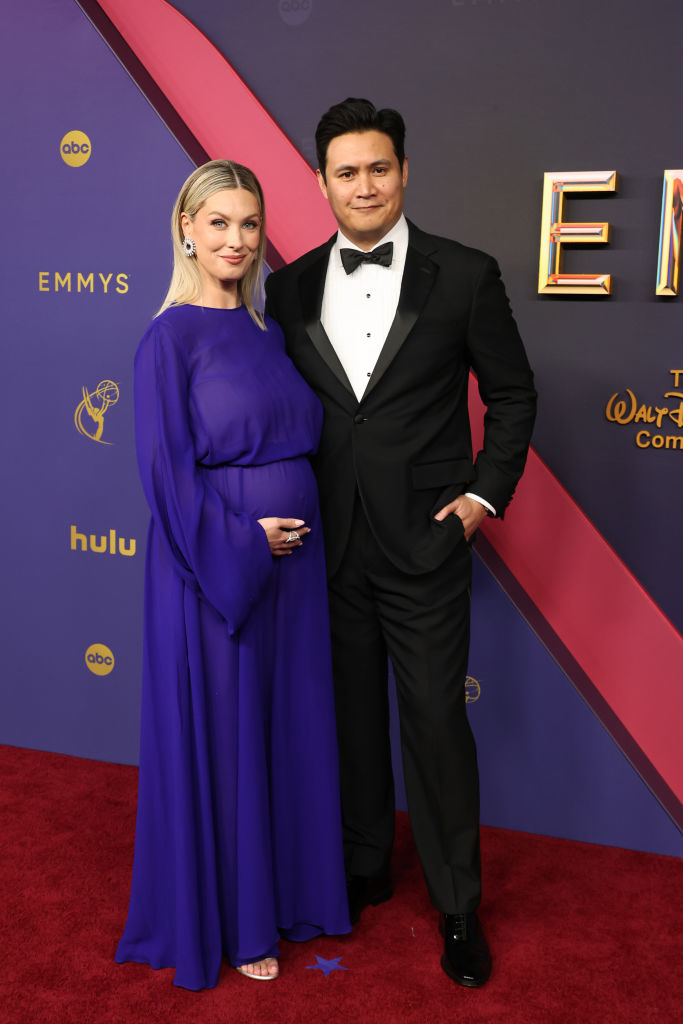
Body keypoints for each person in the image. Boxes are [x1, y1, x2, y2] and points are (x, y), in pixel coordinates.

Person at [265, 99, 537, 988]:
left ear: (404, 172)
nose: (364, 185)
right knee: (347, 720)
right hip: (326, 542)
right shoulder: (290, 285)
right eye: (346, 172)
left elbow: (513, 397)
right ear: (322, 182)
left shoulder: (463, 274)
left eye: (378, 168)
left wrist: (478, 500)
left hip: (426, 542)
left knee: (431, 721)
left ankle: (458, 905)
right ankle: (364, 862)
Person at [115, 159, 350, 990]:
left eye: (249, 224)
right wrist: (246, 543)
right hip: (216, 573)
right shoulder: (166, 338)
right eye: (218, 223)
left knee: (283, 732)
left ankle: (288, 899)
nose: (236, 240)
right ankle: (238, 919)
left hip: (294, 575)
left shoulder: (267, 332)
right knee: (227, 737)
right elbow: (167, 477)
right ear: (186, 227)